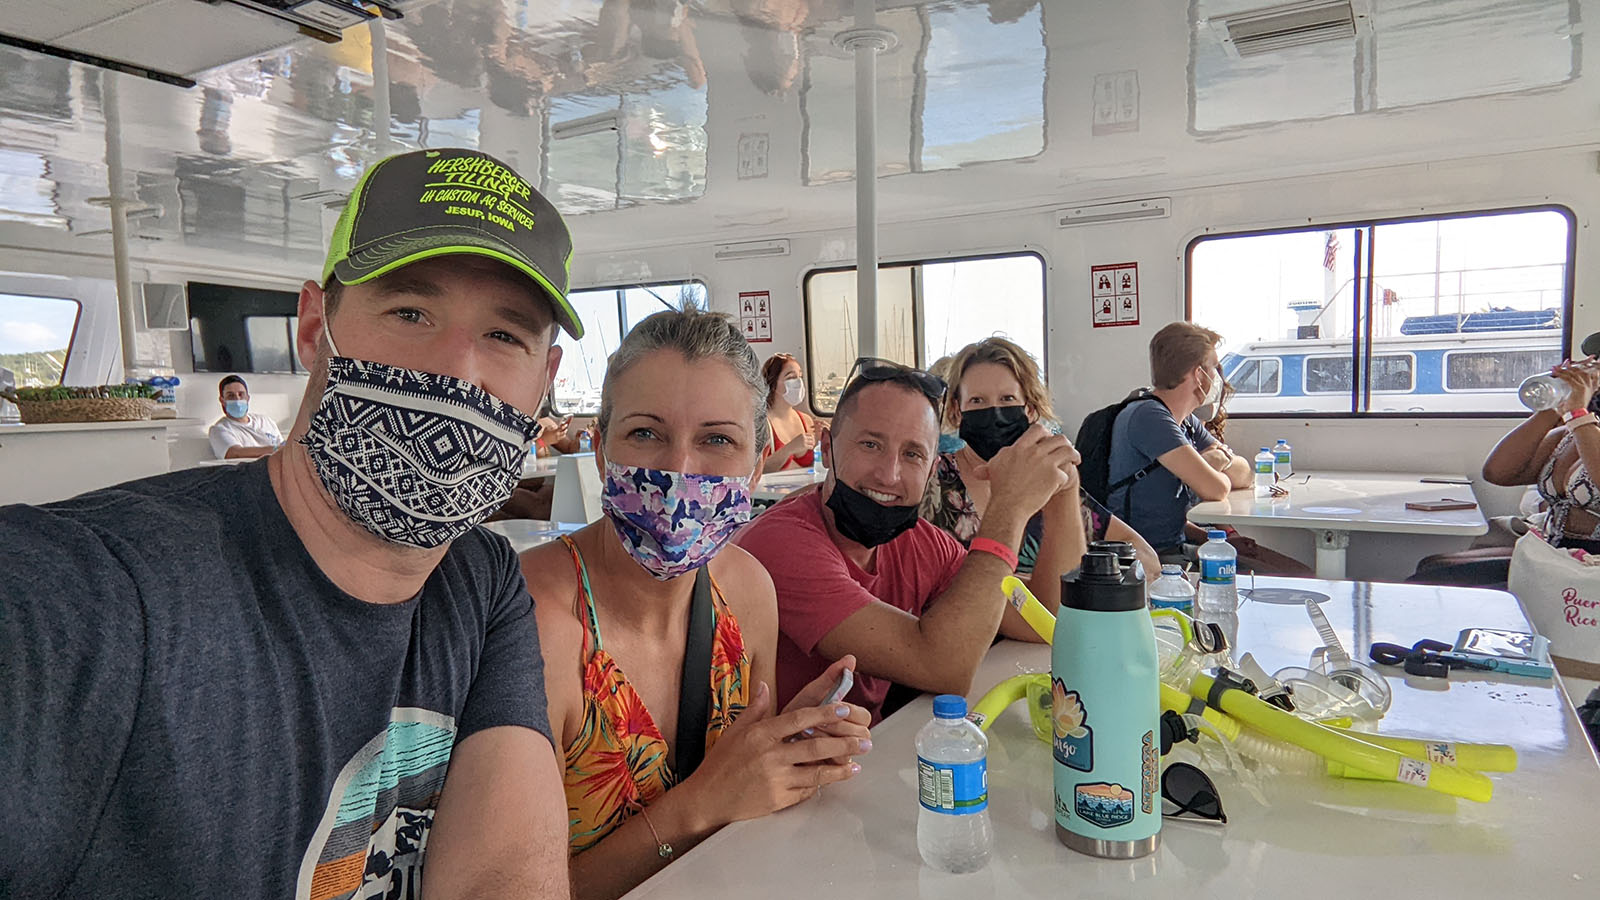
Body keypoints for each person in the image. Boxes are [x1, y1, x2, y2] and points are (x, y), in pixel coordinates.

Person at [2, 148, 578, 899]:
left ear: (545, 381)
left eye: (505, 337)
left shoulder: (479, 579)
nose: (458, 371)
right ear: (314, 329)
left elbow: (502, 879)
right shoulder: (90, 591)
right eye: (410, 312)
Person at [521, 310, 870, 900]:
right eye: (647, 434)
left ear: (757, 463)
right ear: (601, 451)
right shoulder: (534, 624)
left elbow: (744, 810)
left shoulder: (749, 592)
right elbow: (521, 889)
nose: (679, 470)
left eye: (716, 440)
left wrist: (783, 751)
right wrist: (703, 801)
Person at [737, 357, 1079, 722]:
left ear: (932, 468)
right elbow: (943, 667)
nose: (890, 474)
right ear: (826, 446)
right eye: (870, 445)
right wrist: (1008, 506)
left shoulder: (920, 543)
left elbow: (1046, 620)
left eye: (913, 454)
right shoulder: (781, 545)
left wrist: (1063, 492)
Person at [925, 338, 1160, 605]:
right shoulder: (930, 484)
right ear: (956, 411)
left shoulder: (1048, 479)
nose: (994, 413)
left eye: (1007, 399)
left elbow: (1144, 557)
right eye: (977, 401)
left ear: (1030, 409)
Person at [1108, 322, 1253, 563]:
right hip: (1145, 557)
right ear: (1199, 375)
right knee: (1293, 575)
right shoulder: (1149, 417)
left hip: (1178, 544)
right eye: (1213, 367)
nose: (1218, 377)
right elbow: (1217, 490)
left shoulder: (1186, 421)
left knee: (1289, 569)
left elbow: (1244, 475)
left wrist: (1215, 462)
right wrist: (1210, 465)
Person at [1483, 357, 1600, 551]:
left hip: (1591, 570)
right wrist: (1556, 402)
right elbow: (1497, 473)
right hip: (1554, 556)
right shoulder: (1569, 435)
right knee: (1435, 566)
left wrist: (1578, 415)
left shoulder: (1582, 426)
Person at [760, 352, 819, 472]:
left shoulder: (806, 420)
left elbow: (815, 467)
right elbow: (757, 470)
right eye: (791, 377)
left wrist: (825, 442)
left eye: (800, 376)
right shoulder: (761, 424)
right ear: (773, 384)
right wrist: (789, 449)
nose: (798, 382)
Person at [207, 374, 283, 459]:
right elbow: (235, 452)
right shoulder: (219, 429)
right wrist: (275, 449)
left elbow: (282, 446)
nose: (237, 399)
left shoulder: (265, 421)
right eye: (231, 395)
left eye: (241, 394)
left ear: (247, 398)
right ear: (222, 400)